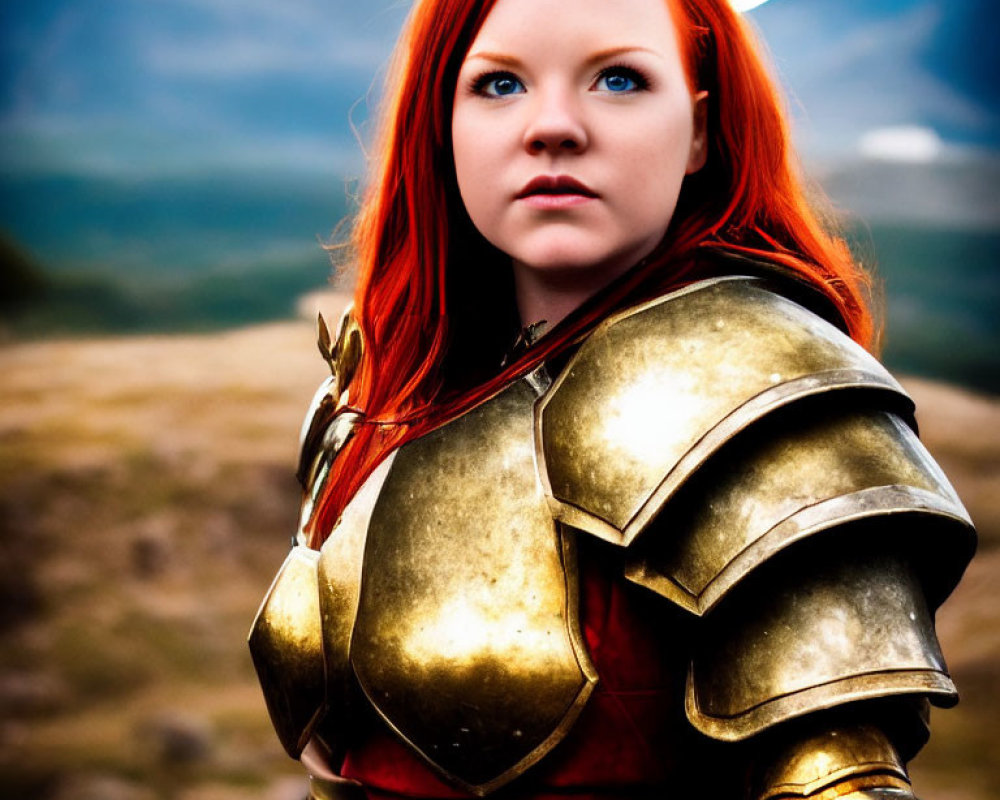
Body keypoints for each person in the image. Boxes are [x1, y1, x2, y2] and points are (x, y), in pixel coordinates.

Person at [249, 0, 976, 797]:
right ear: (442, 122)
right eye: (498, 85)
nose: (553, 126)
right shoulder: (381, 390)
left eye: (619, 79)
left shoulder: (765, 397)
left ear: (700, 131)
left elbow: (839, 781)